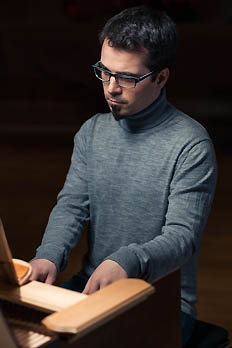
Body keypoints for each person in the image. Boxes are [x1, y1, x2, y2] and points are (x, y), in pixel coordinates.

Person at [30, 6, 217, 346]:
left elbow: (182, 238)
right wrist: (48, 254)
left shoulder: (191, 144)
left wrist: (126, 260)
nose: (111, 88)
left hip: (161, 299)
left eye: (127, 77)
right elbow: (72, 207)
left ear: (161, 78)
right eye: (104, 72)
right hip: (93, 284)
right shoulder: (92, 131)